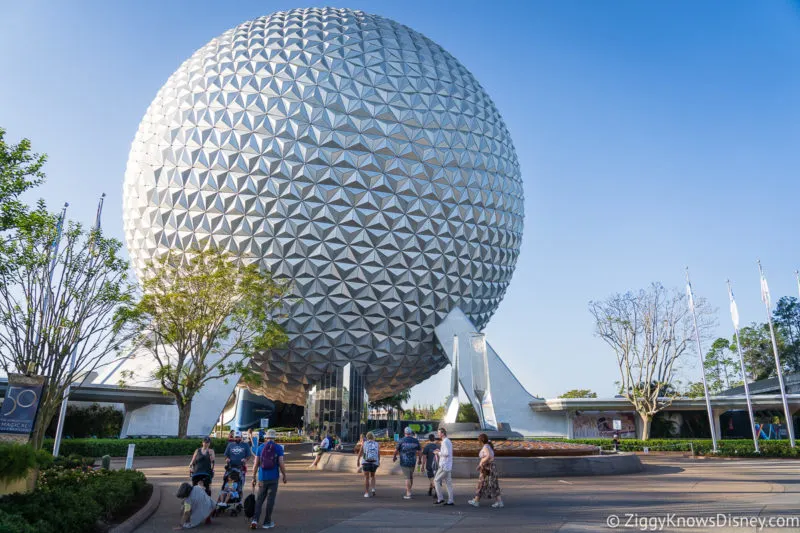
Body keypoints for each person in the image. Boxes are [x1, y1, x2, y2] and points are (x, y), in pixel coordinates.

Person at [250, 429, 287, 529]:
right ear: (274, 437)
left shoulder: (260, 447)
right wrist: (284, 475)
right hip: (273, 478)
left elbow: (255, 464)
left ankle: (255, 520)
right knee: (270, 500)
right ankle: (267, 522)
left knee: (259, 500)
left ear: (266, 437)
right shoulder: (278, 448)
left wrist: (253, 477)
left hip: (262, 478)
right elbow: (281, 463)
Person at [467, 433, 503, 509]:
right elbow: (489, 456)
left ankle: (476, 501)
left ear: (480, 440)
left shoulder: (486, 447)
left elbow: (488, 456)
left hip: (487, 467)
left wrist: (482, 462)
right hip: (490, 467)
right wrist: (480, 464)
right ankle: (498, 502)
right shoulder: (488, 446)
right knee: (490, 484)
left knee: (482, 483)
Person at [392, 426, 422, 500]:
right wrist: (420, 460)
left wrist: (394, 457)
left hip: (404, 462)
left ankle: (408, 493)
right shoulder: (415, 441)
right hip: (413, 461)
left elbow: (396, 450)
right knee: (410, 476)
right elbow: (420, 451)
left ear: (405, 432)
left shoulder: (401, 440)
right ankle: (409, 490)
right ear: (411, 433)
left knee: (407, 477)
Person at [433, 427, 454, 506]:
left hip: (444, 465)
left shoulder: (444, 442)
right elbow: (447, 452)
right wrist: (440, 451)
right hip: (448, 465)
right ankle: (451, 500)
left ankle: (440, 498)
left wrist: (437, 453)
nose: (438, 434)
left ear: (442, 433)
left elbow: (446, 453)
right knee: (448, 483)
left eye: (439, 433)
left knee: (436, 480)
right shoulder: (448, 441)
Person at [356, 431, 380, 498]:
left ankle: (366, 493)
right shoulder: (376, 444)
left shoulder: (364, 443)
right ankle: (373, 489)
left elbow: (360, 452)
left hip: (366, 462)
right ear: (373, 437)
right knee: (373, 476)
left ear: (367, 437)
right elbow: (378, 454)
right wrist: (378, 461)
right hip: (374, 463)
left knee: (367, 478)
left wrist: (358, 460)